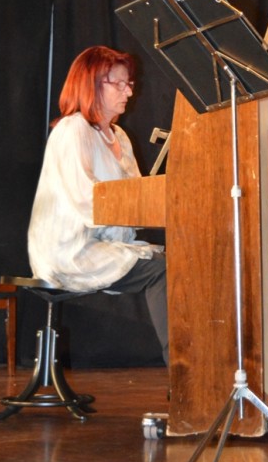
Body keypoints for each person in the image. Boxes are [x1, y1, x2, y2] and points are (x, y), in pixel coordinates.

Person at [28, 45, 169, 365]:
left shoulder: (120, 137)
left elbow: (136, 198)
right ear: (90, 84)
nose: (128, 92)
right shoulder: (72, 130)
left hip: (106, 245)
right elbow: (85, 200)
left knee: (185, 264)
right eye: (118, 84)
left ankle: (202, 366)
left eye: (129, 83)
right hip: (70, 249)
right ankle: (182, 373)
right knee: (161, 271)